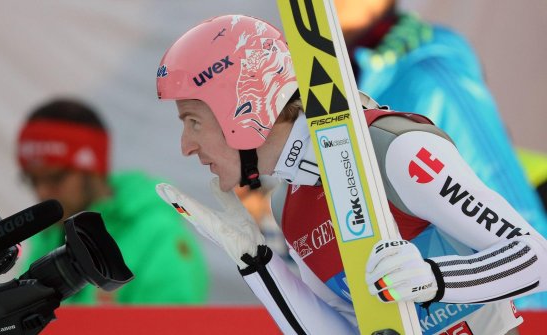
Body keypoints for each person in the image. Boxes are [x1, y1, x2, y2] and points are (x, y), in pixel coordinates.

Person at [154, 15, 547, 334]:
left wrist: (435, 278)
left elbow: (536, 260)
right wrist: (258, 264)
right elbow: (348, 330)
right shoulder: (288, 205)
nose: (186, 146)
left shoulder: (393, 149)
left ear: (240, 108)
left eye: (193, 122)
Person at [335, 0, 547, 309]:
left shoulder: (430, 76)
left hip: (494, 308)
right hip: (410, 303)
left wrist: (530, 313)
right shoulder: (344, 72)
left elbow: (522, 234)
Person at [16, 98, 208, 305]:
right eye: (32, 180)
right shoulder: (49, 234)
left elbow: (175, 325)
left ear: (92, 170)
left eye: (56, 177)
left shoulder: (157, 234)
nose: (42, 192)